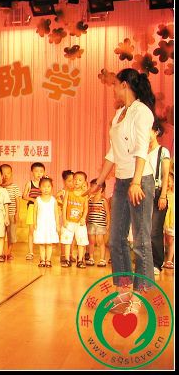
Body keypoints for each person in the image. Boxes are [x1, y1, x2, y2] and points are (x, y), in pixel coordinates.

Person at [88, 68, 157, 314]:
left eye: (116, 84)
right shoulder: (119, 114)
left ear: (125, 84)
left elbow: (141, 148)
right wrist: (99, 181)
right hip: (121, 181)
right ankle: (123, 292)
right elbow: (112, 153)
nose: (114, 88)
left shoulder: (142, 111)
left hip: (140, 180)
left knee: (140, 239)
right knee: (116, 238)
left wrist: (136, 182)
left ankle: (139, 297)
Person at [148, 122, 171, 274]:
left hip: (157, 192)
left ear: (156, 132)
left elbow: (165, 174)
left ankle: (157, 263)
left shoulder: (163, 151)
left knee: (155, 230)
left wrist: (163, 195)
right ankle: (146, 262)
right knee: (143, 229)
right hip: (144, 192)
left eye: (148, 130)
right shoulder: (143, 151)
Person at [61, 171, 90, 268]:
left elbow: (86, 208)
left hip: (79, 223)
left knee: (81, 241)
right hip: (69, 222)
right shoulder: (68, 192)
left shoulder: (85, 194)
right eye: (75, 179)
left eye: (80, 180)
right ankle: (67, 260)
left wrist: (83, 218)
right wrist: (64, 219)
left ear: (84, 182)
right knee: (67, 241)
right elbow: (64, 206)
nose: (77, 181)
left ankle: (80, 260)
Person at [33, 177, 60, 268]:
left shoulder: (53, 200)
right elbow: (35, 212)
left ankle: (48, 260)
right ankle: (42, 259)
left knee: (49, 243)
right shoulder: (38, 199)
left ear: (52, 187)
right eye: (44, 187)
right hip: (41, 224)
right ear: (40, 188)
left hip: (50, 225)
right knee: (41, 243)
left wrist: (57, 225)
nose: (46, 189)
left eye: (48, 186)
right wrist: (34, 223)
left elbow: (56, 213)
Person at [22, 162, 45, 261]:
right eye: (36, 171)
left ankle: (42, 253)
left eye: (41, 171)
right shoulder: (29, 183)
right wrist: (33, 200)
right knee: (31, 230)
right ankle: (30, 252)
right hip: (32, 207)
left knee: (41, 230)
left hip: (42, 209)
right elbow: (24, 196)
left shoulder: (44, 183)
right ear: (32, 172)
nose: (39, 173)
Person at [86, 179, 109, 267]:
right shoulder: (90, 200)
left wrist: (108, 224)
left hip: (100, 224)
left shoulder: (103, 201)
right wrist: (86, 221)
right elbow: (88, 212)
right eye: (91, 187)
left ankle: (102, 259)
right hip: (91, 224)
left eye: (93, 187)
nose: (91, 189)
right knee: (91, 241)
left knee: (100, 241)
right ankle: (91, 258)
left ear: (100, 189)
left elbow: (107, 213)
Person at [0, 164, 21, 261]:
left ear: (11, 174)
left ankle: (9, 252)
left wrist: (17, 213)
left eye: (8, 173)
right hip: (1, 216)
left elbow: (18, 201)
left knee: (11, 235)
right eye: (3, 173)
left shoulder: (14, 187)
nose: (6, 175)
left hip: (12, 215)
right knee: (1, 234)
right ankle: (2, 252)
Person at [57, 170, 75, 263]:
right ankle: (63, 255)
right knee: (64, 236)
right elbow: (56, 200)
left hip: (73, 218)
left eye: (73, 181)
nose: (72, 183)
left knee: (72, 237)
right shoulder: (62, 192)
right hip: (64, 217)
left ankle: (70, 254)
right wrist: (61, 202)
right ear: (64, 181)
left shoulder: (75, 192)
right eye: (69, 181)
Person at [162, 171, 174, 269]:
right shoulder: (162, 194)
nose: (168, 183)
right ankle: (160, 259)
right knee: (160, 239)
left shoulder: (173, 194)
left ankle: (169, 260)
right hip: (162, 219)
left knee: (171, 240)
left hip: (171, 220)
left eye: (170, 181)